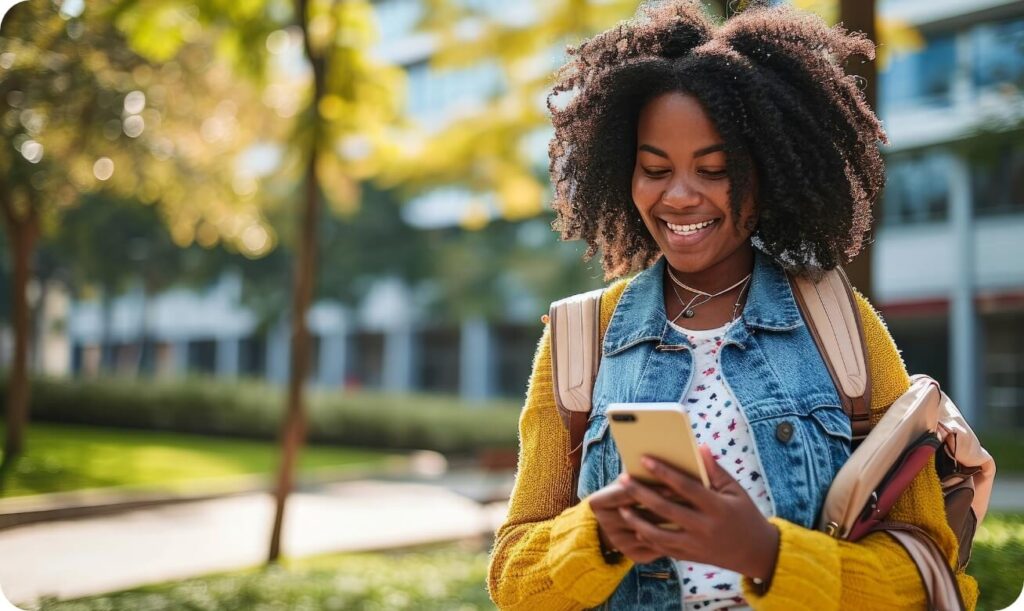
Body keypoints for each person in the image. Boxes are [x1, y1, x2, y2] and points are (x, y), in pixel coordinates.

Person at [487, 2, 979, 610]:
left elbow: (928, 568)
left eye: (715, 169)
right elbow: (513, 578)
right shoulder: (579, 336)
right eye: (654, 169)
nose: (680, 196)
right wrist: (597, 537)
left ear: (767, 173)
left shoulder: (838, 324)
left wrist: (765, 555)